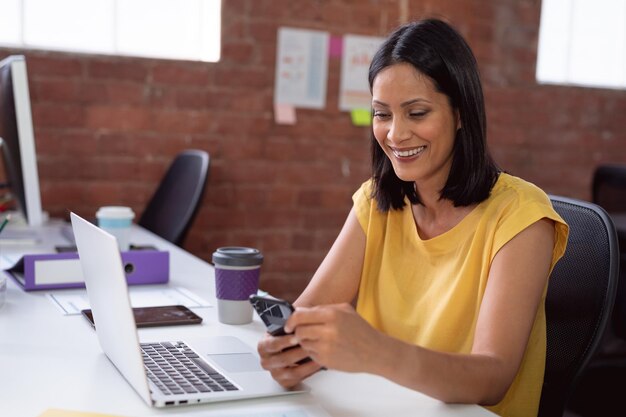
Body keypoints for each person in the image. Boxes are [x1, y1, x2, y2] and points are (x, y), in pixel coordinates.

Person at [257, 18, 569, 417]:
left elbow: (493, 378)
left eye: (417, 113)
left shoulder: (522, 216)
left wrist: (376, 352)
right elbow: (307, 315)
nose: (395, 134)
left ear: (460, 114)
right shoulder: (376, 201)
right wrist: (287, 351)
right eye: (381, 114)